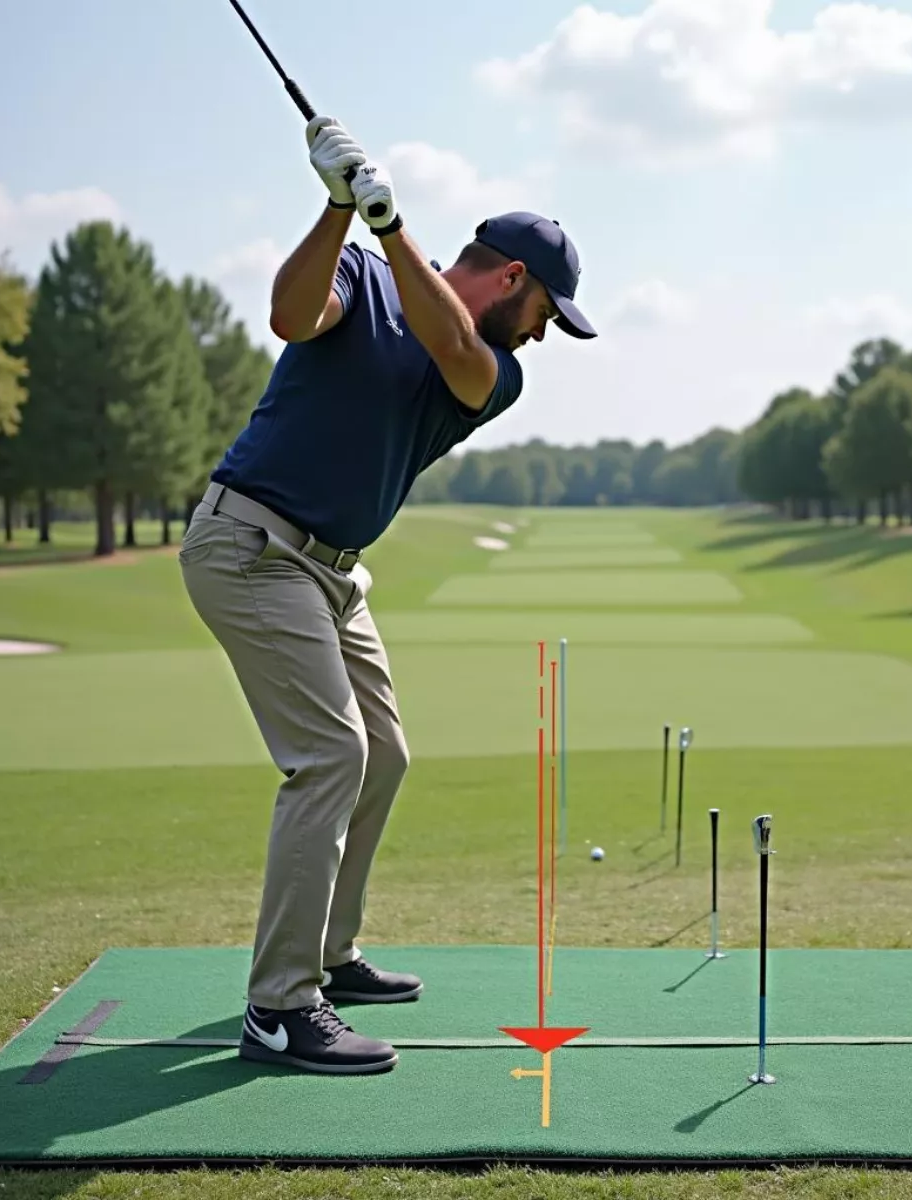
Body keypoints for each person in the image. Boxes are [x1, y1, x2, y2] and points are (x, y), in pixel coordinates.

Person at [178, 115, 596, 1076]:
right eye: (546, 314)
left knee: (385, 754)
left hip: (332, 572)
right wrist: (338, 210)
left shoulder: (497, 372)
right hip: (249, 545)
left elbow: (448, 341)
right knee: (331, 755)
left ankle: (326, 955)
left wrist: (387, 221)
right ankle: (280, 1009)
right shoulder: (362, 277)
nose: (544, 336)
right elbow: (290, 316)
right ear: (513, 280)